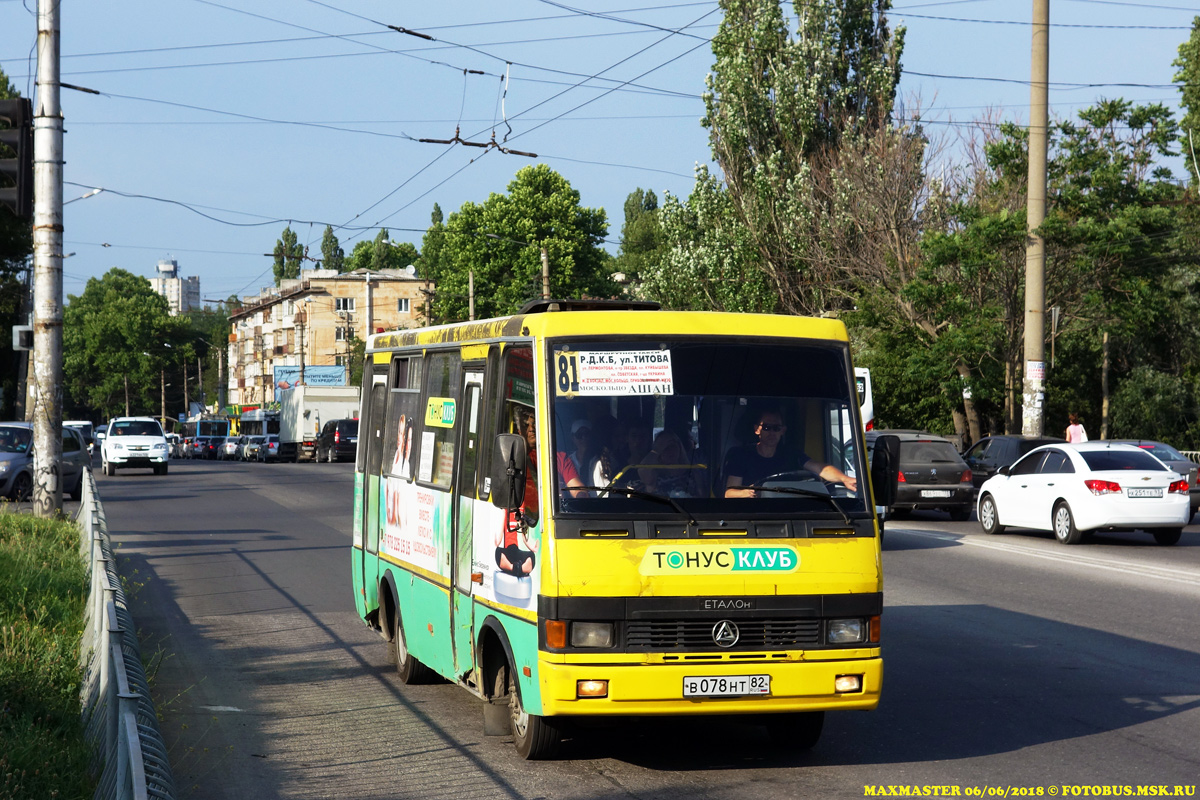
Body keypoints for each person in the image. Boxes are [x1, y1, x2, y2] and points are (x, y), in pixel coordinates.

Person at [724, 408, 857, 497]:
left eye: (776, 428)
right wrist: (746, 493)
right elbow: (729, 493)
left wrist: (845, 479)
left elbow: (821, 469)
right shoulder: (741, 455)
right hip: (752, 513)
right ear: (757, 430)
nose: (771, 432)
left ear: (783, 431)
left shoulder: (791, 454)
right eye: (766, 427)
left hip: (788, 512)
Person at [642, 429, 700, 497]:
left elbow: (703, 497)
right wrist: (656, 449)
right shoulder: (653, 475)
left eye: (673, 446)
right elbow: (642, 470)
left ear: (679, 447)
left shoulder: (693, 472)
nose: (670, 451)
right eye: (665, 447)